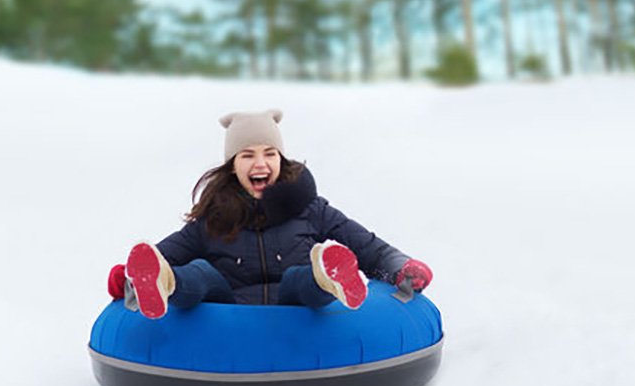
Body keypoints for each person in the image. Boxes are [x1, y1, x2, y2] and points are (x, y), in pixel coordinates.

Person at [107, 109, 432, 319]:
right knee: (201, 273)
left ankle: (329, 276)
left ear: (281, 159)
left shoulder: (310, 210)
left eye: (269, 153)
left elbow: (369, 247)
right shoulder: (214, 219)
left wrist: (401, 268)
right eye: (247, 155)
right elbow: (163, 254)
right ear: (233, 166)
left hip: (294, 305)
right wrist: (129, 277)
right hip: (229, 310)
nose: (260, 163)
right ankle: (166, 284)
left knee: (301, 278)